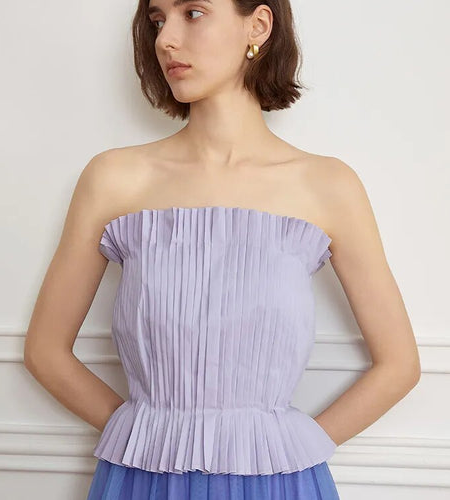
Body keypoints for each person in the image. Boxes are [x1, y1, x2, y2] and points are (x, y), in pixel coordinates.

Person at [23, 0, 421, 498]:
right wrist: (147, 435)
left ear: (258, 25)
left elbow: (399, 365)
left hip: (276, 481)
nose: (165, 39)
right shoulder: (114, 179)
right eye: (157, 20)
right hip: (144, 477)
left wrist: (288, 447)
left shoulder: (328, 186)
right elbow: (45, 351)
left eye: (192, 13)